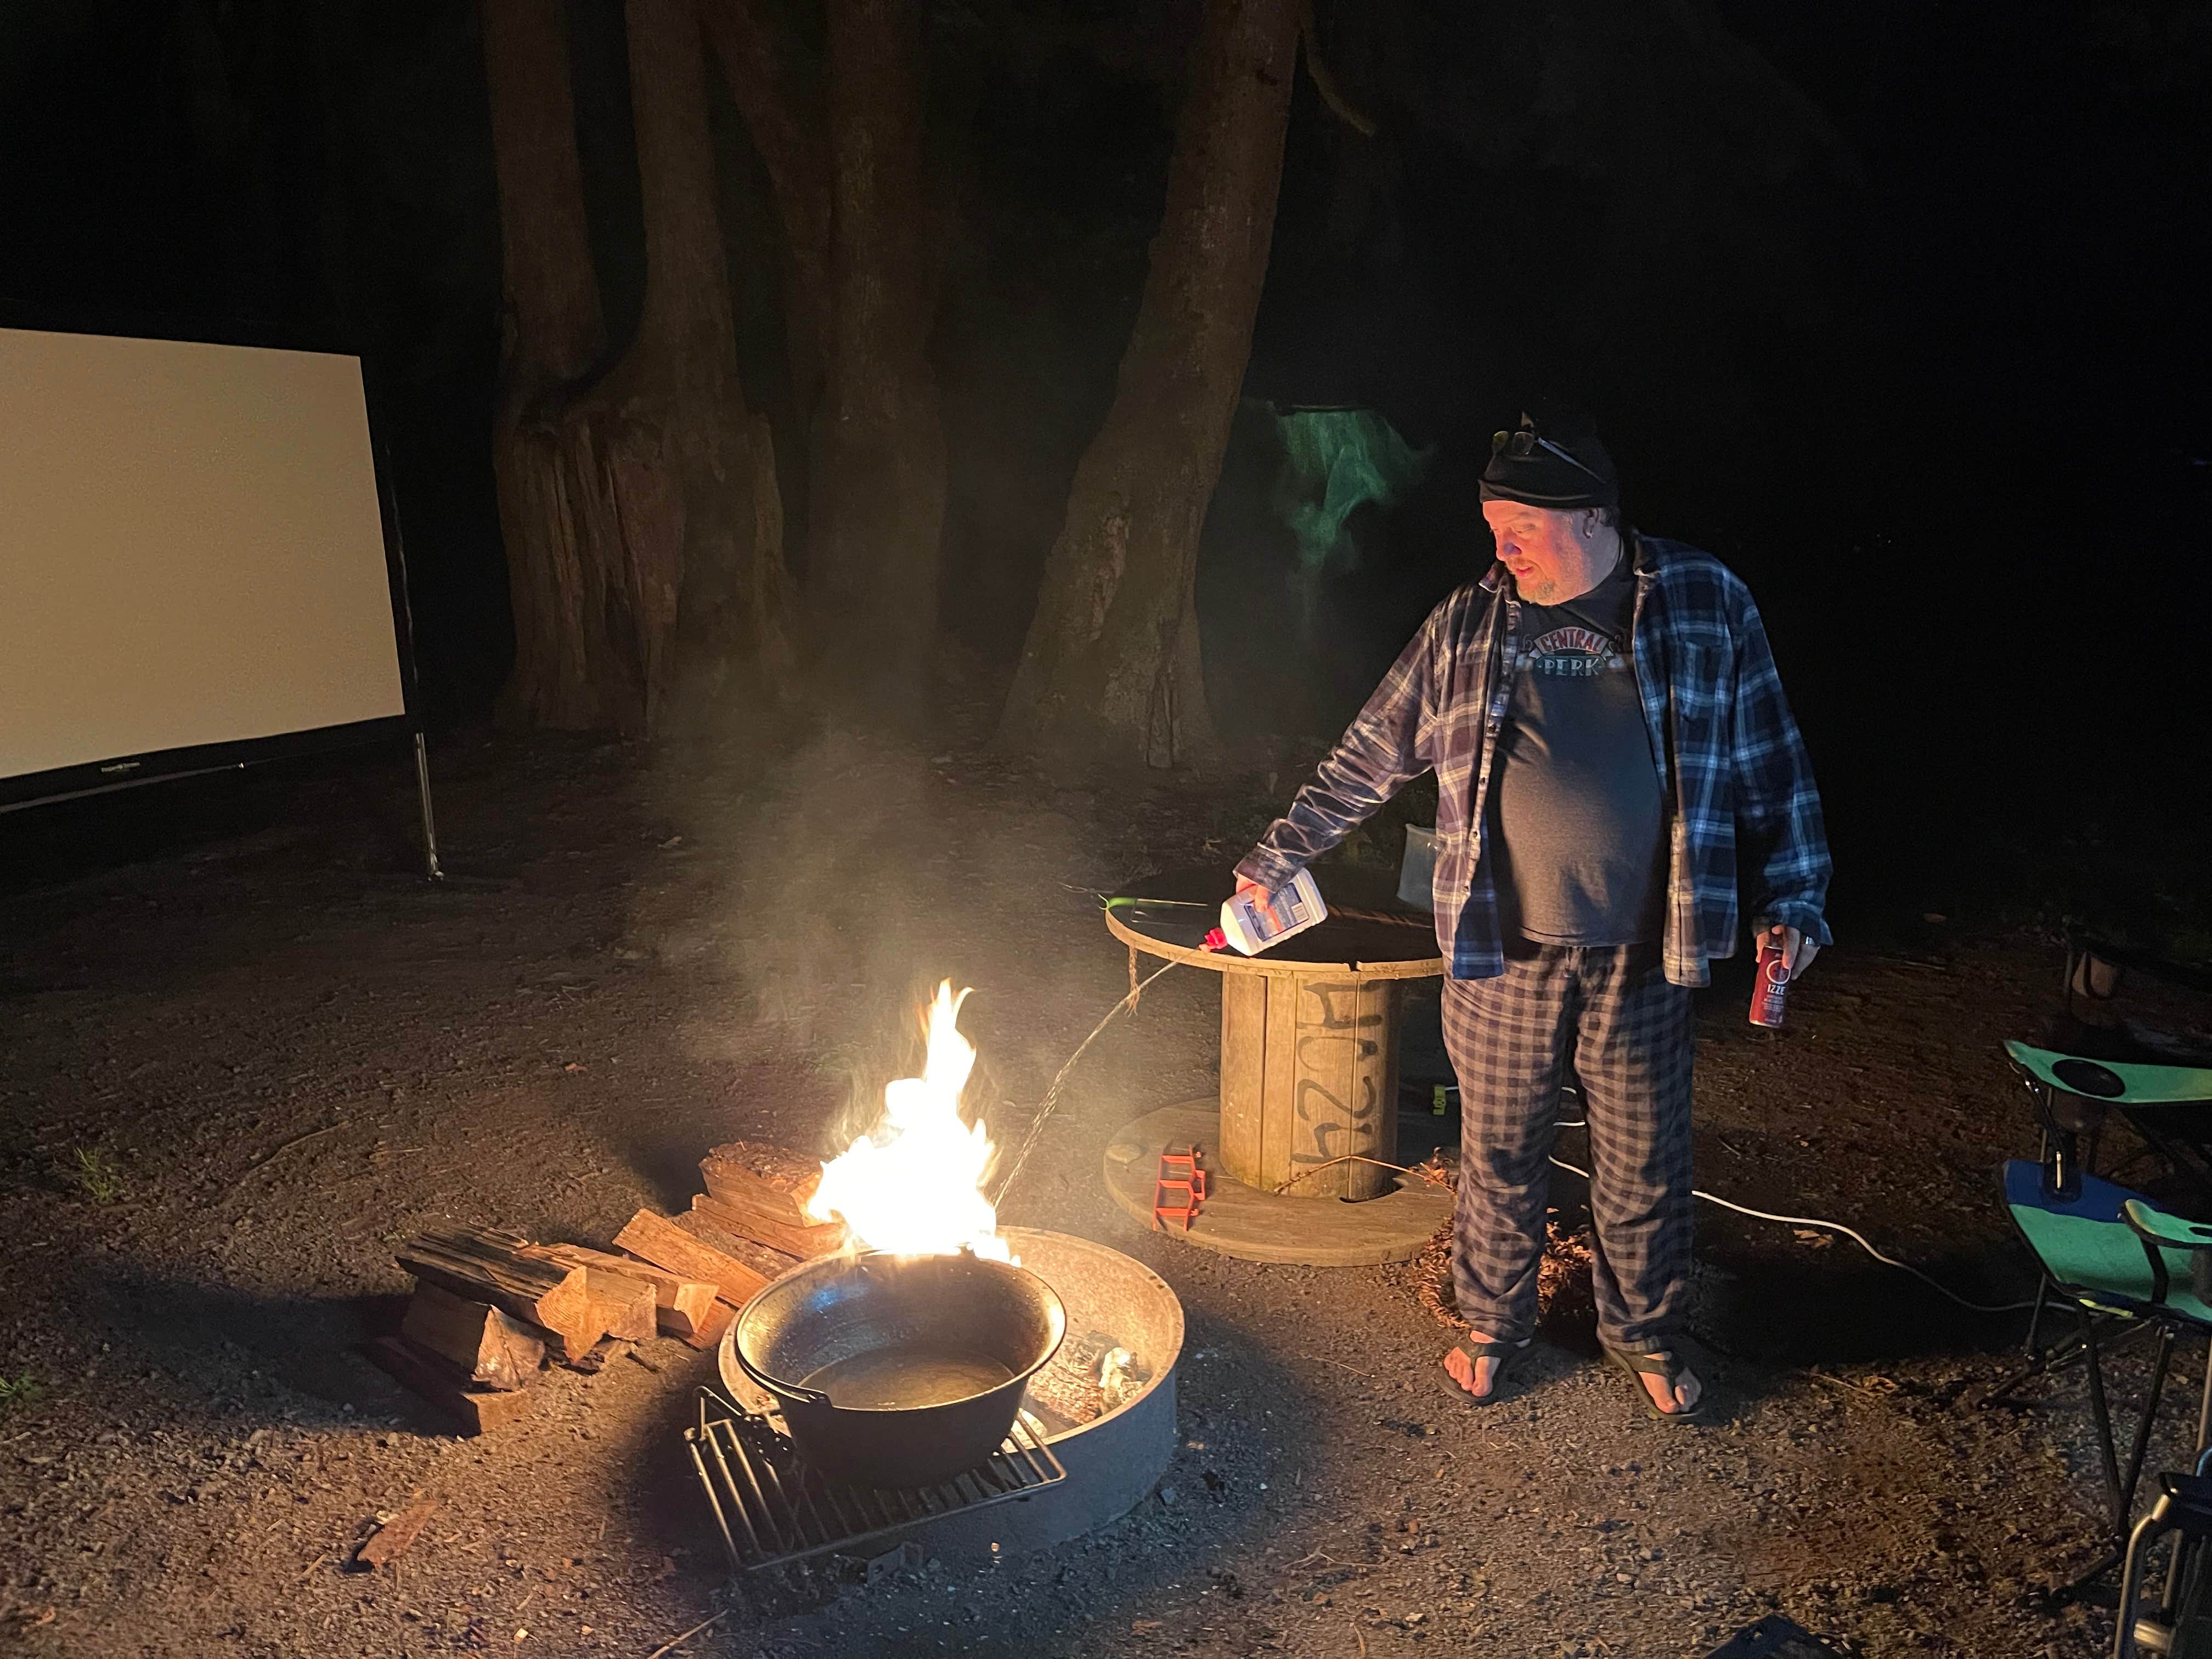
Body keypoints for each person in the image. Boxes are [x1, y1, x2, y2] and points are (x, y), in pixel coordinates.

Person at [1233, 413, 1831, 1422]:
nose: (1500, 548)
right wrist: (1277, 858)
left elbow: (1774, 755)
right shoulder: (1468, 623)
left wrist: (1798, 893)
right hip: (1500, 949)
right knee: (1499, 1151)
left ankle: (1643, 1331)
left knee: (1645, 1154)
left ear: (1593, 516)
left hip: (1649, 948)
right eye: (1492, 525)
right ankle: (1491, 1323)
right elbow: (1368, 755)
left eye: (1521, 527)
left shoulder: (1702, 600)